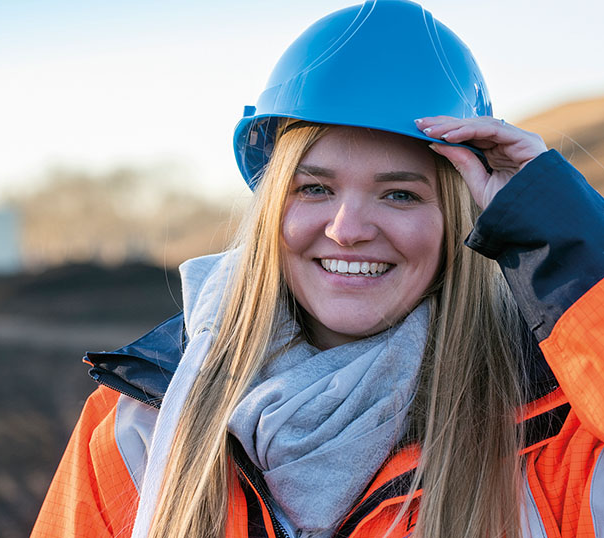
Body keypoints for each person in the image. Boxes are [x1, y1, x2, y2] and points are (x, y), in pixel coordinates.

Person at [32, 1, 604, 537]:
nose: (347, 228)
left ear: (458, 220)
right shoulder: (137, 431)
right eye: (315, 188)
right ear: (272, 204)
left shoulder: (555, 431)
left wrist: (558, 228)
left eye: (400, 195)